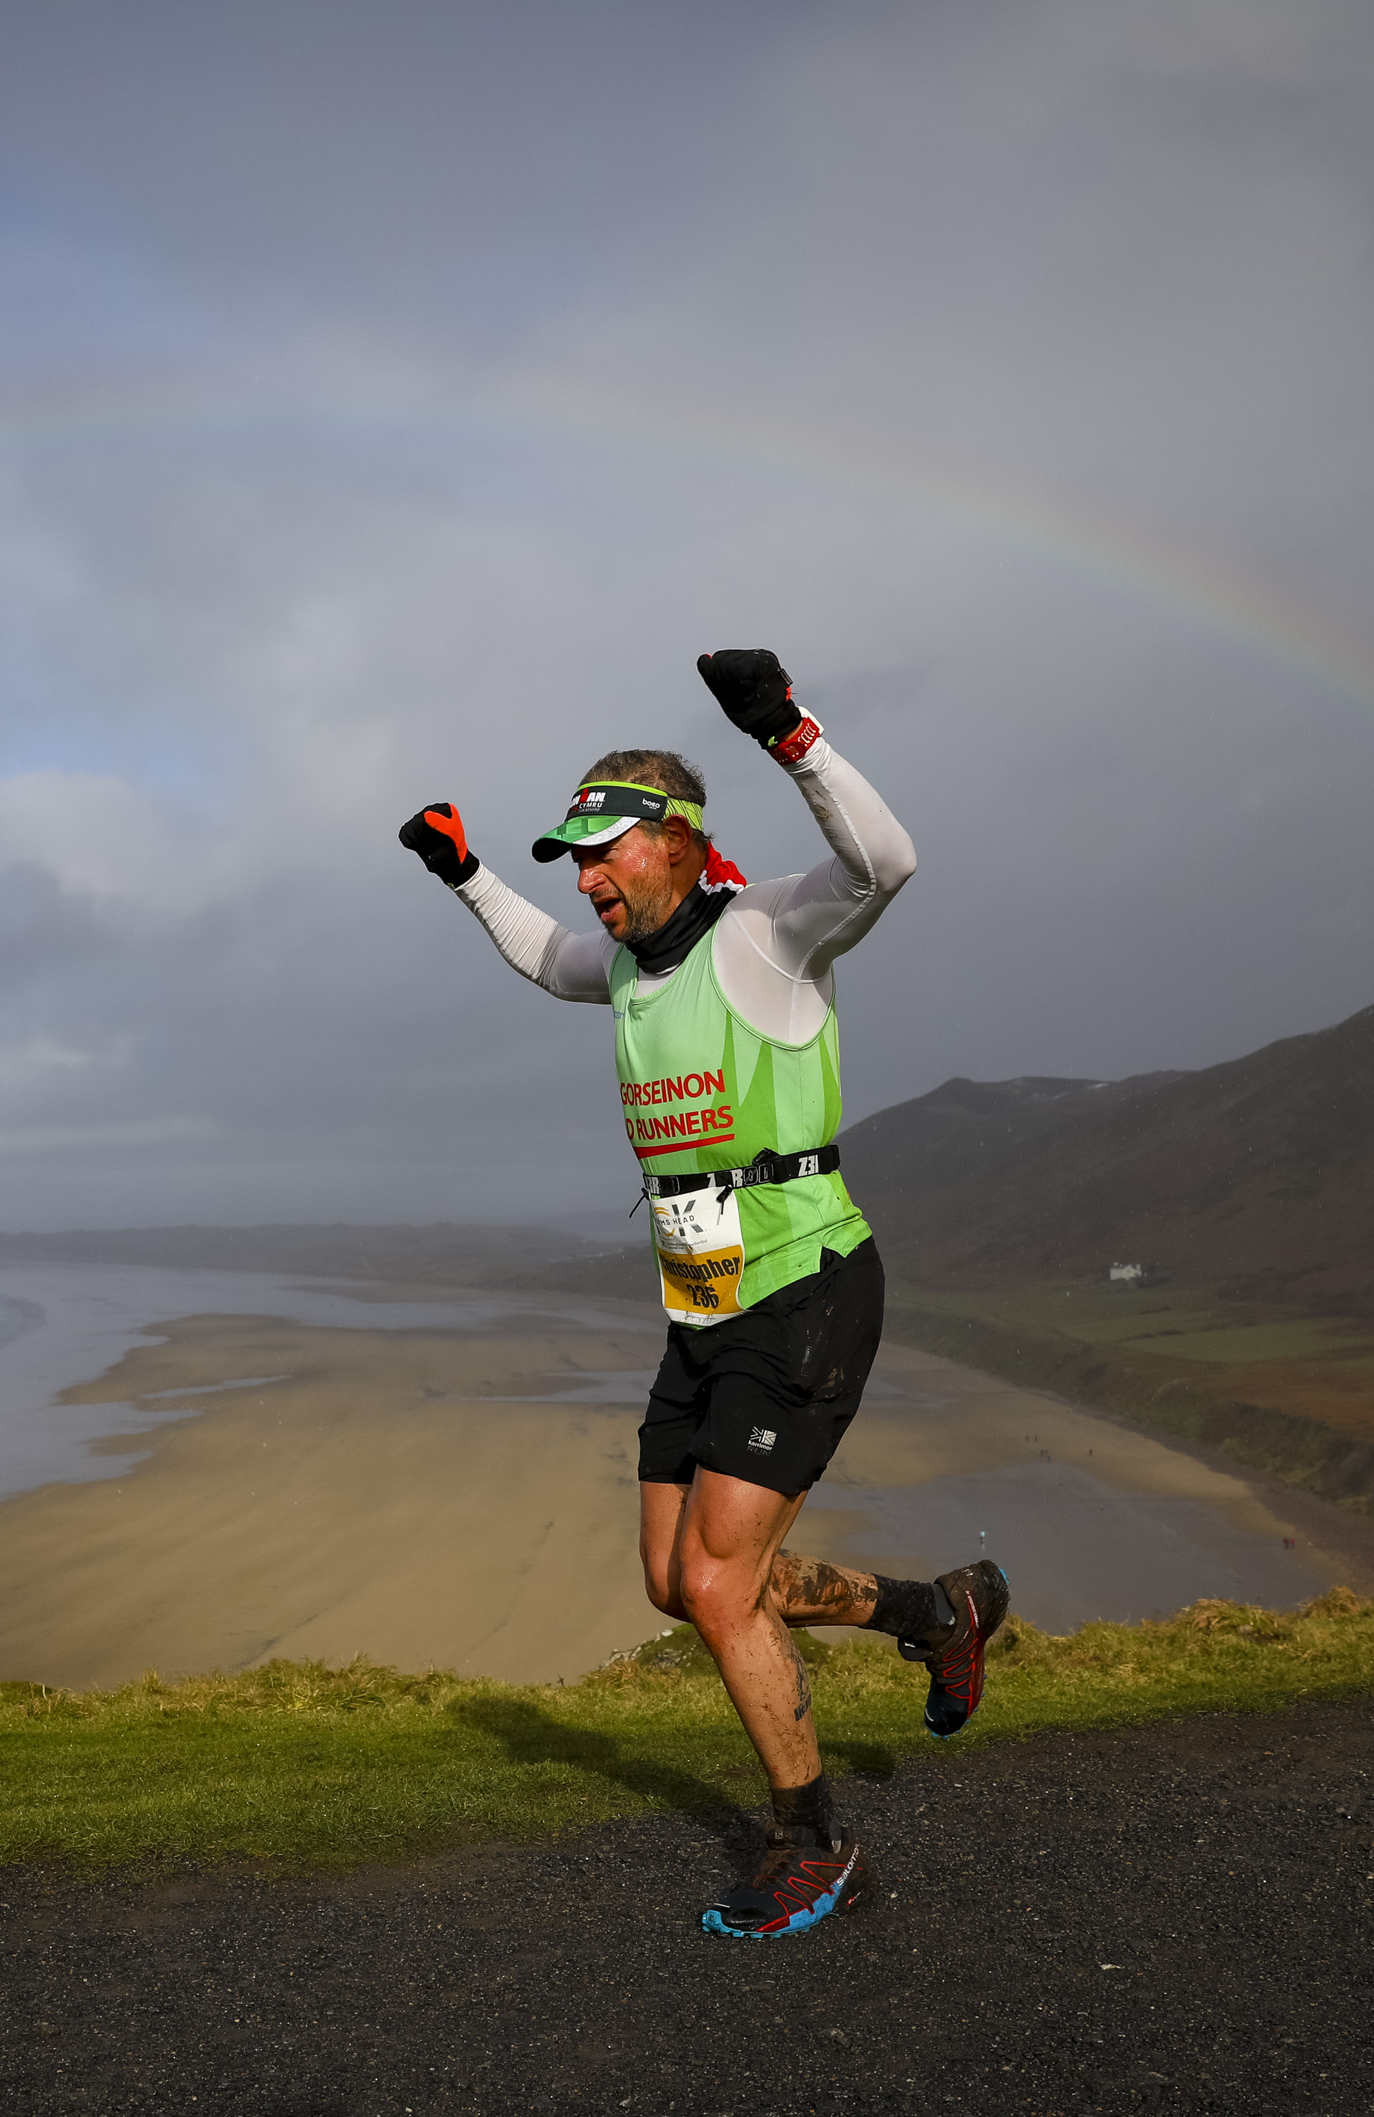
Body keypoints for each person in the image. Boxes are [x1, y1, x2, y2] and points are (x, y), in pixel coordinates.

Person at [398, 648, 1008, 1941]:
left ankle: (816, 1841)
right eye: (571, 856)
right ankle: (935, 1612)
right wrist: (464, 876)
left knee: (725, 1584)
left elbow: (887, 863)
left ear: (674, 841)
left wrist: (789, 733)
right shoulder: (620, 967)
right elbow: (540, 954)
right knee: (678, 1582)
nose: (585, 879)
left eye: (601, 852)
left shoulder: (771, 930)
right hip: (702, 1309)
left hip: (808, 1290)